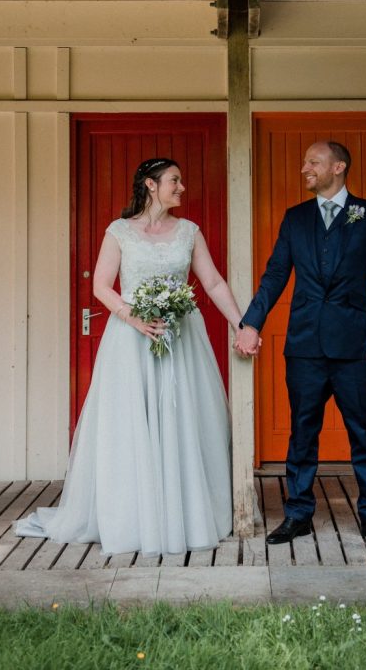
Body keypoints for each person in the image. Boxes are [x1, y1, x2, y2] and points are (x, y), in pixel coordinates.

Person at [16, 158, 243, 556]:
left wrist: (242, 324)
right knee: (131, 426)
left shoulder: (189, 231)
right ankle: (134, 517)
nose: (182, 187)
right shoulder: (119, 232)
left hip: (181, 340)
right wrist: (134, 318)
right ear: (151, 186)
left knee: (182, 420)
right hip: (131, 342)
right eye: (175, 180)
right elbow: (102, 286)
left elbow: (213, 281)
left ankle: (186, 514)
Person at [235, 141, 366, 548]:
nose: (304, 168)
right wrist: (251, 324)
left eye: (313, 162)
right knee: (302, 432)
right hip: (305, 345)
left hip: (356, 346)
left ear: (339, 167)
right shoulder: (295, 219)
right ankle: (298, 514)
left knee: (363, 431)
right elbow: (275, 274)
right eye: (305, 161)